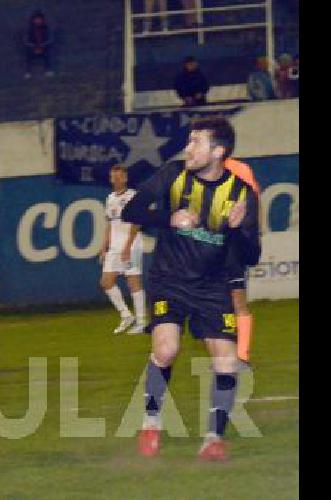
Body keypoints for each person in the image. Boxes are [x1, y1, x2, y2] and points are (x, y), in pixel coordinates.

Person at [121, 116, 261, 461]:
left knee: (227, 361)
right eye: (189, 141)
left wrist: (240, 229)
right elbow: (131, 209)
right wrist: (167, 219)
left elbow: (251, 256)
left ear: (218, 151)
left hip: (212, 285)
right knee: (167, 350)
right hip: (169, 279)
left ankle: (213, 439)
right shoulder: (173, 174)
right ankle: (151, 423)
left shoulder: (240, 195)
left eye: (196, 142)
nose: (188, 148)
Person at [99, 164, 147, 335]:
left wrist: (128, 246)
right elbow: (109, 224)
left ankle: (141, 321)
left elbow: (137, 222)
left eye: (119, 176)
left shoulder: (132, 196)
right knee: (106, 282)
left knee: (132, 281)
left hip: (131, 244)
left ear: (125, 178)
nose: (116, 180)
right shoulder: (110, 198)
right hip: (114, 246)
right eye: (114, 177)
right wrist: (104, 247)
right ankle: (126, 315)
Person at [222, 157, 261, 367]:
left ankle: (242, 356)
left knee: (237, 302)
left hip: (231, 247)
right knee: (221, 306)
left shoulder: (237, 169)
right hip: (212, 249)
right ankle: (231, 354)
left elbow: (253, 201)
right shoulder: (200, 167)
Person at [23, 10, 54, 78]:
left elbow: (50, 39)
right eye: (36, 19)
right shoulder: (30, 29)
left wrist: (42, 46)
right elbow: (26, 40)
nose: (38, 21)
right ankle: (28, 72)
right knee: (27, 55)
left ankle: (48, 70)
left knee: (49, 53)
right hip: (33, 48)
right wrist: (34, 47)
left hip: (44, 47)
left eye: (39, 19)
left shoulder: (46, 28)